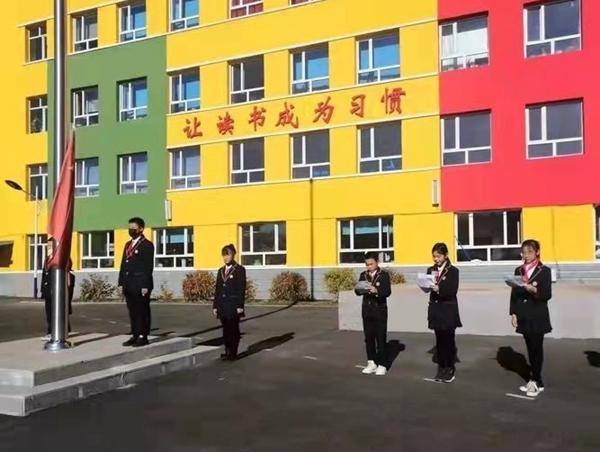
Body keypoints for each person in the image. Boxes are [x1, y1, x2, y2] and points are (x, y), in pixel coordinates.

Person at [509, 239, 552, 397]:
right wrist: (513, 313)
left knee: (536, 348)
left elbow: (547, 294)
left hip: (537, 314)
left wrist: (534, 290)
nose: (526, 255)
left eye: (530, 252)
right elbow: (514, 293)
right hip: (523, 314)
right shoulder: (519, 270)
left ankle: (537, 381)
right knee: (529, 347)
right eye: (524, 252)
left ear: (537, 252)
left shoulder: (544, 270)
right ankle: (534, 379)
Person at [426, 243, 461, 383]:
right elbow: (427, 285)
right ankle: (441, 368)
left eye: (439, 256)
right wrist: (425, 286)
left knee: (448, 341)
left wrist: (439, 289)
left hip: (448, 310)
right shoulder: (431, 270)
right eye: (434, 256)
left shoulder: (453, 271)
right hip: (435, 309)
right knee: (439, 340)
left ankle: (449, 368)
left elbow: (453, 290)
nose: (436, 259)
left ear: (446, 255)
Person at [118, 217, 155, 348]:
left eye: (134, 228)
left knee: (142, 310)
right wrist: (121, 283)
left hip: (140, 284)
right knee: (132, 310)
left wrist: (145, 285)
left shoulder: (147, 245)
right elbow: (123, 264)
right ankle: (135, 334)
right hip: (129, 283)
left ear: (141, 229)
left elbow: (148, 267)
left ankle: (143, 336)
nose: (131, 230)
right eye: (130, 228)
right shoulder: (128, 245)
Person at [355, 252, 392, 376]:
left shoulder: (383, 275)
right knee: (369, 337)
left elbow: (387, 292)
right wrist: (359, 289)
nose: (369, 267)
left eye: (371, 264)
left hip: (379, 309)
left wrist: (377, 291)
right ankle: (371, 362)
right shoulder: (363, 275)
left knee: (380, 337)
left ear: (377, 262)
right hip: (367, 309)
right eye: (367, 264)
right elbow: (357, 291)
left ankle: (382, 364)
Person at [213, 244, 247, 361]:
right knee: (225, 330)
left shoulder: (239, 270)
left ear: (233, 255)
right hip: (222, 305)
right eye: (224, 255)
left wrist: (240, 305)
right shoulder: (221, 270)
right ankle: (227, 351)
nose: (226, 258)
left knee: (233, 329)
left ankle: (233, 353)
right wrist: (215, 305)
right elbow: (218, 289)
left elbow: (241, 288)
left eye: (228, 255)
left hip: (233, 305)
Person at [41, 240, 74, 341]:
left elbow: (68, 267)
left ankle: (62, 330)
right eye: (48, 246)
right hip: (48, 290)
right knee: (49, 312)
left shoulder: (61, 258)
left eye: (51, 246)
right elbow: (44, 275)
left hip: (58, 289)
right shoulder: (47, 259)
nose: (49, 248)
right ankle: (50, 332)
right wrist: (43, 289)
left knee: (61, 310)